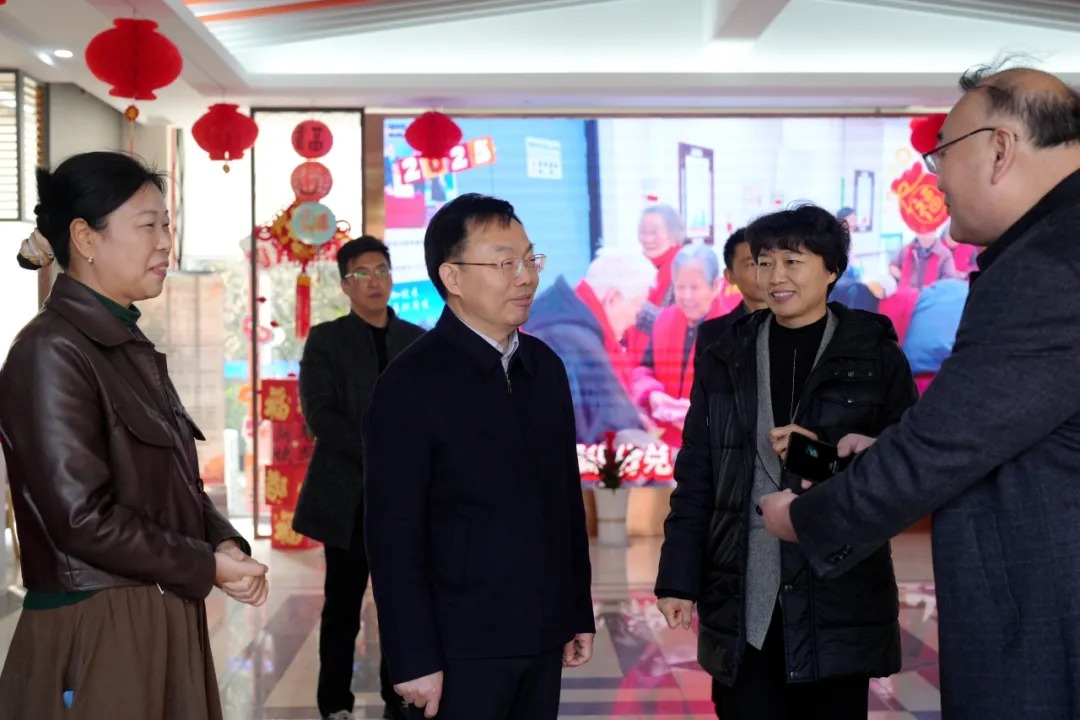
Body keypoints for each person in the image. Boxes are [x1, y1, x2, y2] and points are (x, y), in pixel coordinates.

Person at [758, 63, 1080, 719]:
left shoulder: (1047, 267)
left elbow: (941, 448)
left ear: (999, 149)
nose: (935, 178)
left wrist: (804, 518)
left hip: (1047, 614)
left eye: (942, 154)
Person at [0, 151, 268, 719]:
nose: (166, 242)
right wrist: (205, 566)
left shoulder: (122, 344)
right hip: (98, 626)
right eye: (148, 225)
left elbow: (170, 483)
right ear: (85, 238)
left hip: (156, 609)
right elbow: (81, 519)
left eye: (167, 225)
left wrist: (220, 541)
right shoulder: (50, 351)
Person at [654, 203, 917, 720]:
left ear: (832, 269)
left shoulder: (874, 355)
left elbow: (904, 472)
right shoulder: (726, 355)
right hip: (743, 591)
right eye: (764, 262)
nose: (775, 277)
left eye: (793, 262)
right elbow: (699, 472)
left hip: (836, 595)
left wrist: (817, 455)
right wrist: (677, 579)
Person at [362, 193, 595, 720]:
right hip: (458, 645)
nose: (526, 277)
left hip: (541, 632)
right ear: (453, 277)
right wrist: (413, 655)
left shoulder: (545, 368)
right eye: (504, 263)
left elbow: (564, 500)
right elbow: (392, 532)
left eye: (530, 259)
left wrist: (575, 609)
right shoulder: (409, 383)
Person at [292, 236, 423, 720]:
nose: (374, 282)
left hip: (405, 497)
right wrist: (381, 454)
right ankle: (335, 704)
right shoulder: (327, 340)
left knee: (401, 604)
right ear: (345, 285)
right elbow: (320, 415)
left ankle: (401, 697)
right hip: (349, 496)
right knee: (342, 607)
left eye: (382, 271)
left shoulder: (417, 340)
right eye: (362, 273)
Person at [524, 248, 656, 443]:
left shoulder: (555, 323)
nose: (634, 320)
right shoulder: (576, 345)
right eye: (636, 307)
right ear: (613, 298)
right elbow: (617, 432)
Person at [695, 227, 769, 360]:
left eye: (766, 263)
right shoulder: (711, 334)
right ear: (730, 276)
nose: (761, 272)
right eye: (751, 264)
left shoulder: (802, 325)